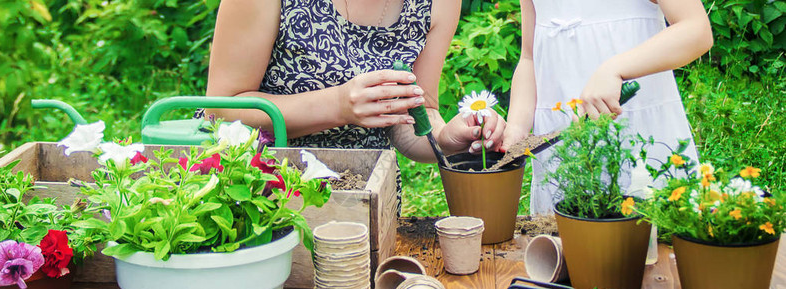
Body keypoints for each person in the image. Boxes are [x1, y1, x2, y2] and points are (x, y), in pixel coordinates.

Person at [203, 0, 505, 164]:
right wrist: (337, 106)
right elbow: (221, 110)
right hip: (265, 192)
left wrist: (445, 138)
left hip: (367, 200)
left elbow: (414, 116)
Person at [501, 0, 713, 214]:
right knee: (564, 237)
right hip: (564, 153)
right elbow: (529, 58)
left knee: (651, 237)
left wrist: (615, 68)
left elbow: (696, 29)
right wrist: (517, 129)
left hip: (637, 137)